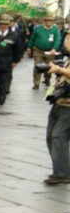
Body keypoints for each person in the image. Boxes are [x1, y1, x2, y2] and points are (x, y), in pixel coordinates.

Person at [45, 38, 70, 185]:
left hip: (68, 106)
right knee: (50, 137)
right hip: (59, 103)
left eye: (69, 39)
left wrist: (59, 69)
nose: (66, 42)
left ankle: (62, 173)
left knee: (58, 136)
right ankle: (61, 169)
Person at [0, 14, 23, 105]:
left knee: (3, 81)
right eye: (1, 24)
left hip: (6, 62)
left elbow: (19, 49)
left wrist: (15, 61)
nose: (3, 26)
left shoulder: (14, 35)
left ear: (8, 25)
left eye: (5, 24)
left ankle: (2, 96)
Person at [29, 14, 62, 90]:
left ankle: (47, 79)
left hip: (50, 51)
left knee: (49, 66)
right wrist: (29, 47)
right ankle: (36, 83)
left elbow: (57, 39)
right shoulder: (38, 28)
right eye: (47, 20)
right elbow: (32, 38)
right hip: (38, 50)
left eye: (51, 21)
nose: (49, 22)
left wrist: (54, 48)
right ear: (44, 21)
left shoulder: (55, 29)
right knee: (37, 66)